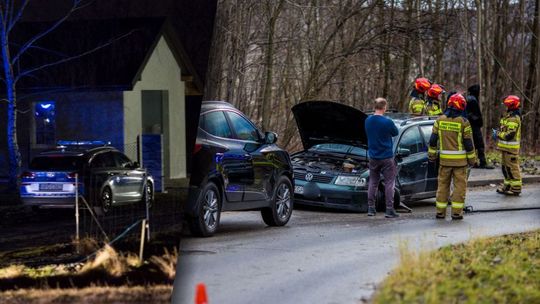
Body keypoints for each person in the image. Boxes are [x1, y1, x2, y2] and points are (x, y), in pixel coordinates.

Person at [428, 93, 477, 220]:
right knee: (459, 188)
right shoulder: (464, 123)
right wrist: (472, 160)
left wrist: (432, 156)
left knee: (442, 187)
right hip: (460, 164)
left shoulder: (439, 120)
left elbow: (432, 141)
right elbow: (469, 144)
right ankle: (456, 213)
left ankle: (440, 212)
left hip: (444, 163)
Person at [365, 98, 400, 218]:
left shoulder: (367, 120)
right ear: (384, 108)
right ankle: (389, 209)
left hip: (373, 156)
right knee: (390, 182)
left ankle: (370, 208)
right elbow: (395, 133)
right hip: (386, 157)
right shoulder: (387, 122)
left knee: (373, 182)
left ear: (374, 107)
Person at [494, 95, 522, 195]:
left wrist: (497, 134)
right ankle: (507, 186)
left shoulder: (514, 118)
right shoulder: (508, 117)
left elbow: (509, 135)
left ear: (511, 106)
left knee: (512, 169)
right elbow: (504, 129)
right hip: (505, 148)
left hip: (511, 150)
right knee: (505, 168)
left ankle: (516, 188)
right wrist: (498, 131)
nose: (504, 107)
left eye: (506, 105)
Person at [465, 84, 493, 169]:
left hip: (471, 124)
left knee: (473, 144)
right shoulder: (472, 100)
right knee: (479, 144)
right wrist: (477, 120)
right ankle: (482, 162)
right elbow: (471, 114)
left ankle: (474, 162)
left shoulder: (470, 98)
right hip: (474, 125)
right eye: (479, 90)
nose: (480, 92)